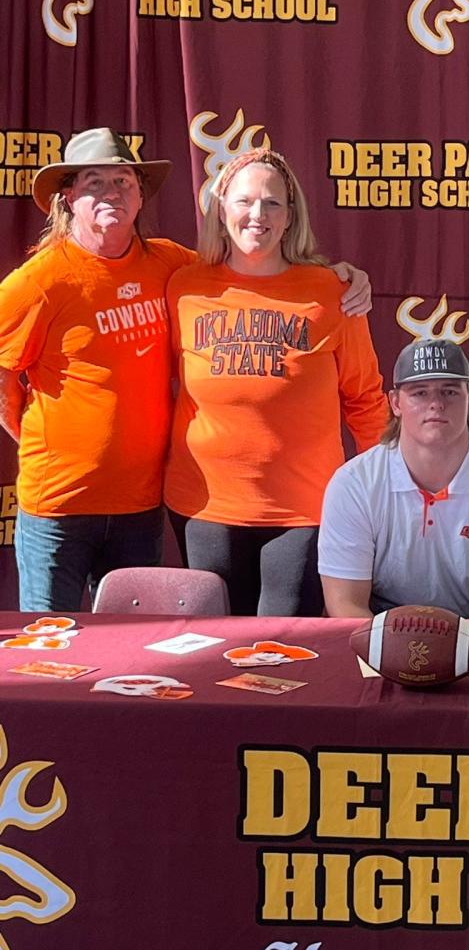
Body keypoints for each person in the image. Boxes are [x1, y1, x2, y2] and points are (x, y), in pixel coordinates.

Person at [0, 128, 370, 613]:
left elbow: (248, 270)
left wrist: (341, 274)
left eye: (123, 182)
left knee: (133, 653)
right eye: (94, 183)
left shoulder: (173, 269)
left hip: (142, 507)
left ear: (139, 197)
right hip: (61, 507)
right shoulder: (37, 282)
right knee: (53, 652)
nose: (111, 194)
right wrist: (46, 439)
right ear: (67, 197)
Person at [164, 148, 388, 616]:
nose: (257, 215)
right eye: (245, 201)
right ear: (222, 207)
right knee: (212, 649)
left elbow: (365, 400)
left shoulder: (333, 292)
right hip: (204, 506)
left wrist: (385, 487)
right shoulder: (182, 286)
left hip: (305, 509)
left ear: (291, 217)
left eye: (272, 204)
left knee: (283, 652)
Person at [319, 338, 469, 620]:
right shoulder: (353, 484)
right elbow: (346, 607)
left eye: (449, 392)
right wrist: (394, 658)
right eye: (419, 393)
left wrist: (459, 659)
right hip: (376, 643)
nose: (436, 404)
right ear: (395, 402)